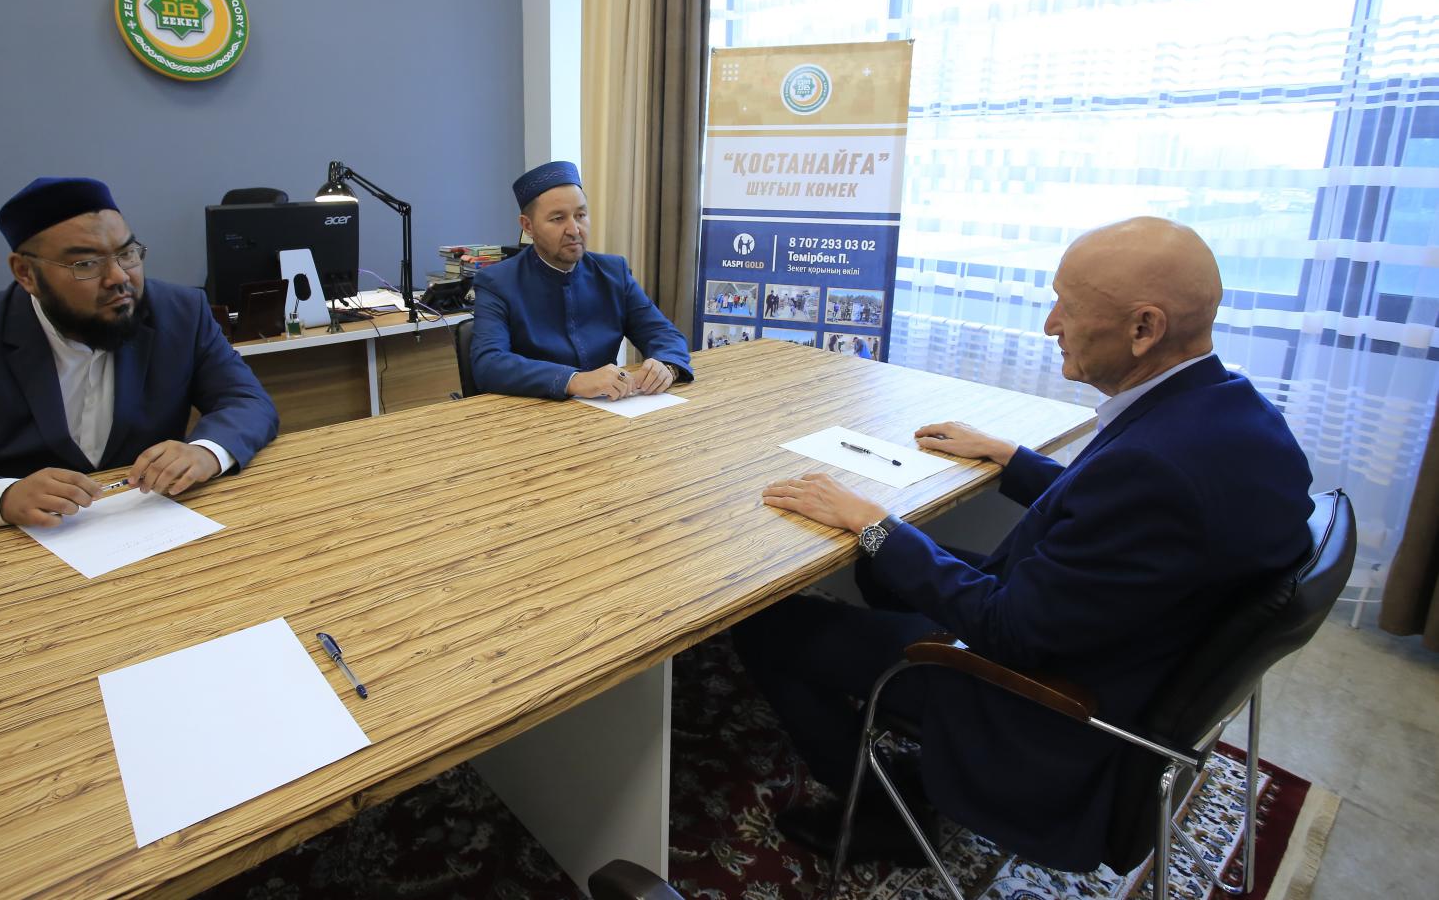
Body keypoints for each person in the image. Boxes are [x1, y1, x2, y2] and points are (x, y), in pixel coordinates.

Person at [732, 217, 1313, 870]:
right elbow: (1120, 521)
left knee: (768, 625)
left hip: (1042, 702)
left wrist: (871, 523)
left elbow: (1008, 631)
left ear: (1144, 329)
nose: (1050, 324)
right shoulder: (1234, 414)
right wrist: (1013, 459)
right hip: (1122, 645)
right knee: (882, 570)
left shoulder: (1154, 472)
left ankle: (885, 816)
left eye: (1069, 306)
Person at [0, 177, 280, 540]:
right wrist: (3, 498)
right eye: (86, 264)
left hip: (154, 532)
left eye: (127, 254)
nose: (119, 278)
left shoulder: (180, 312)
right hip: (10, 558)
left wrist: (205, 451)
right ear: (26, 273)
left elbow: (247, 401)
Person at [470, 161, 693, 400]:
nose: (574, 230)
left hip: (611, 407)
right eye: (558, 218)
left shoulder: (613, 272)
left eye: (580, 215)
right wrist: (573, 380)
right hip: (533, 410)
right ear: (528, 226)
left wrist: (666, 366)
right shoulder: (497, 282)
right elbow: (489, 364)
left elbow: (663, 334)